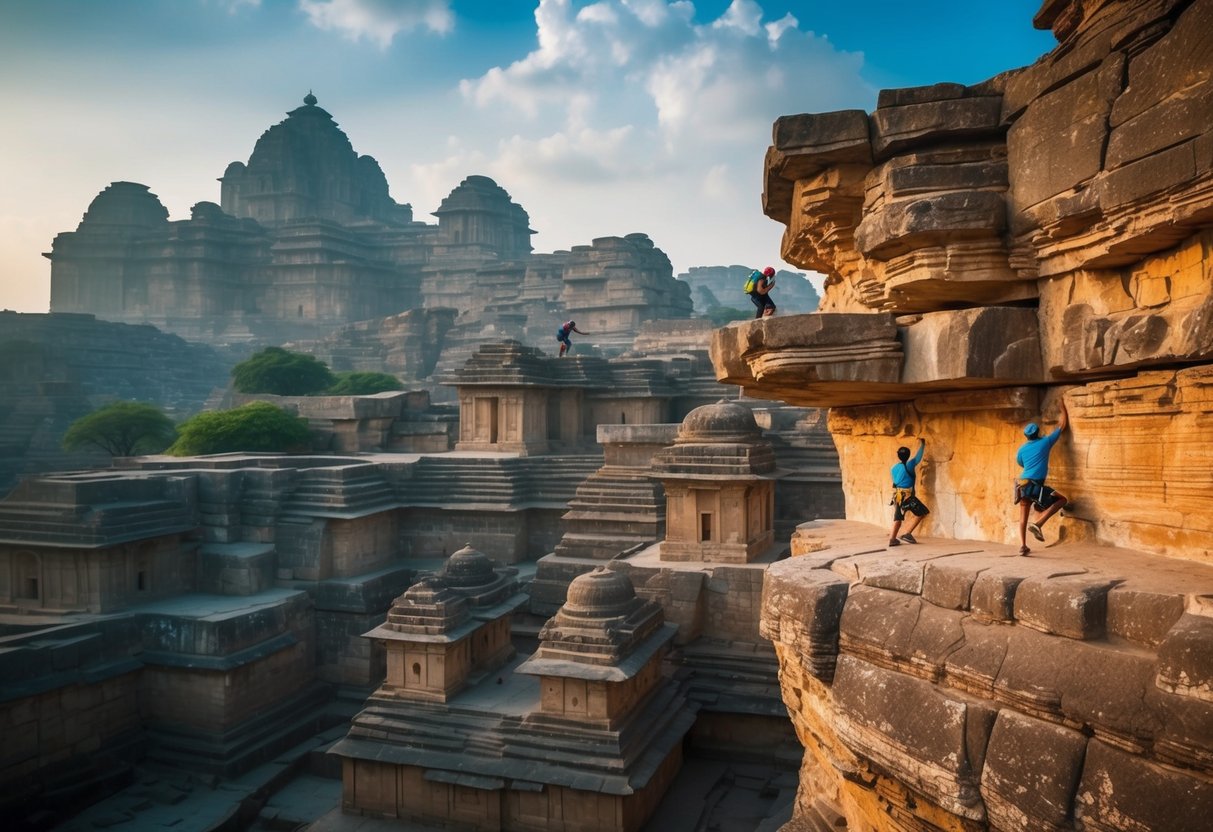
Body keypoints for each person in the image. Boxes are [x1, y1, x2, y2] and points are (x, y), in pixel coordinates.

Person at [1014, 400, 1069, 556]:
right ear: (1038, 432)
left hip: (1023, 483)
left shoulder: (1022, 449)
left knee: (1023, 514)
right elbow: (1062, 426)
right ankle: (1039, 523)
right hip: (1036, 484)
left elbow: (1021, 463)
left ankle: (1023, 546)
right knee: (1062, 500)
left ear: (1026, 436)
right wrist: (1063, 409)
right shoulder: (1045, 442)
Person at [888, 438, 928, 547]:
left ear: (898, 456)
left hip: (898, 496)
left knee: (898, 517)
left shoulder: (894, 468)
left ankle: (893, 539)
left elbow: (895, 481)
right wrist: (923, 444)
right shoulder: (909, 465)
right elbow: (918, 458)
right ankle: (906, 534)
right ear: (908, 455)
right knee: (922, 512)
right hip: (907, 496)